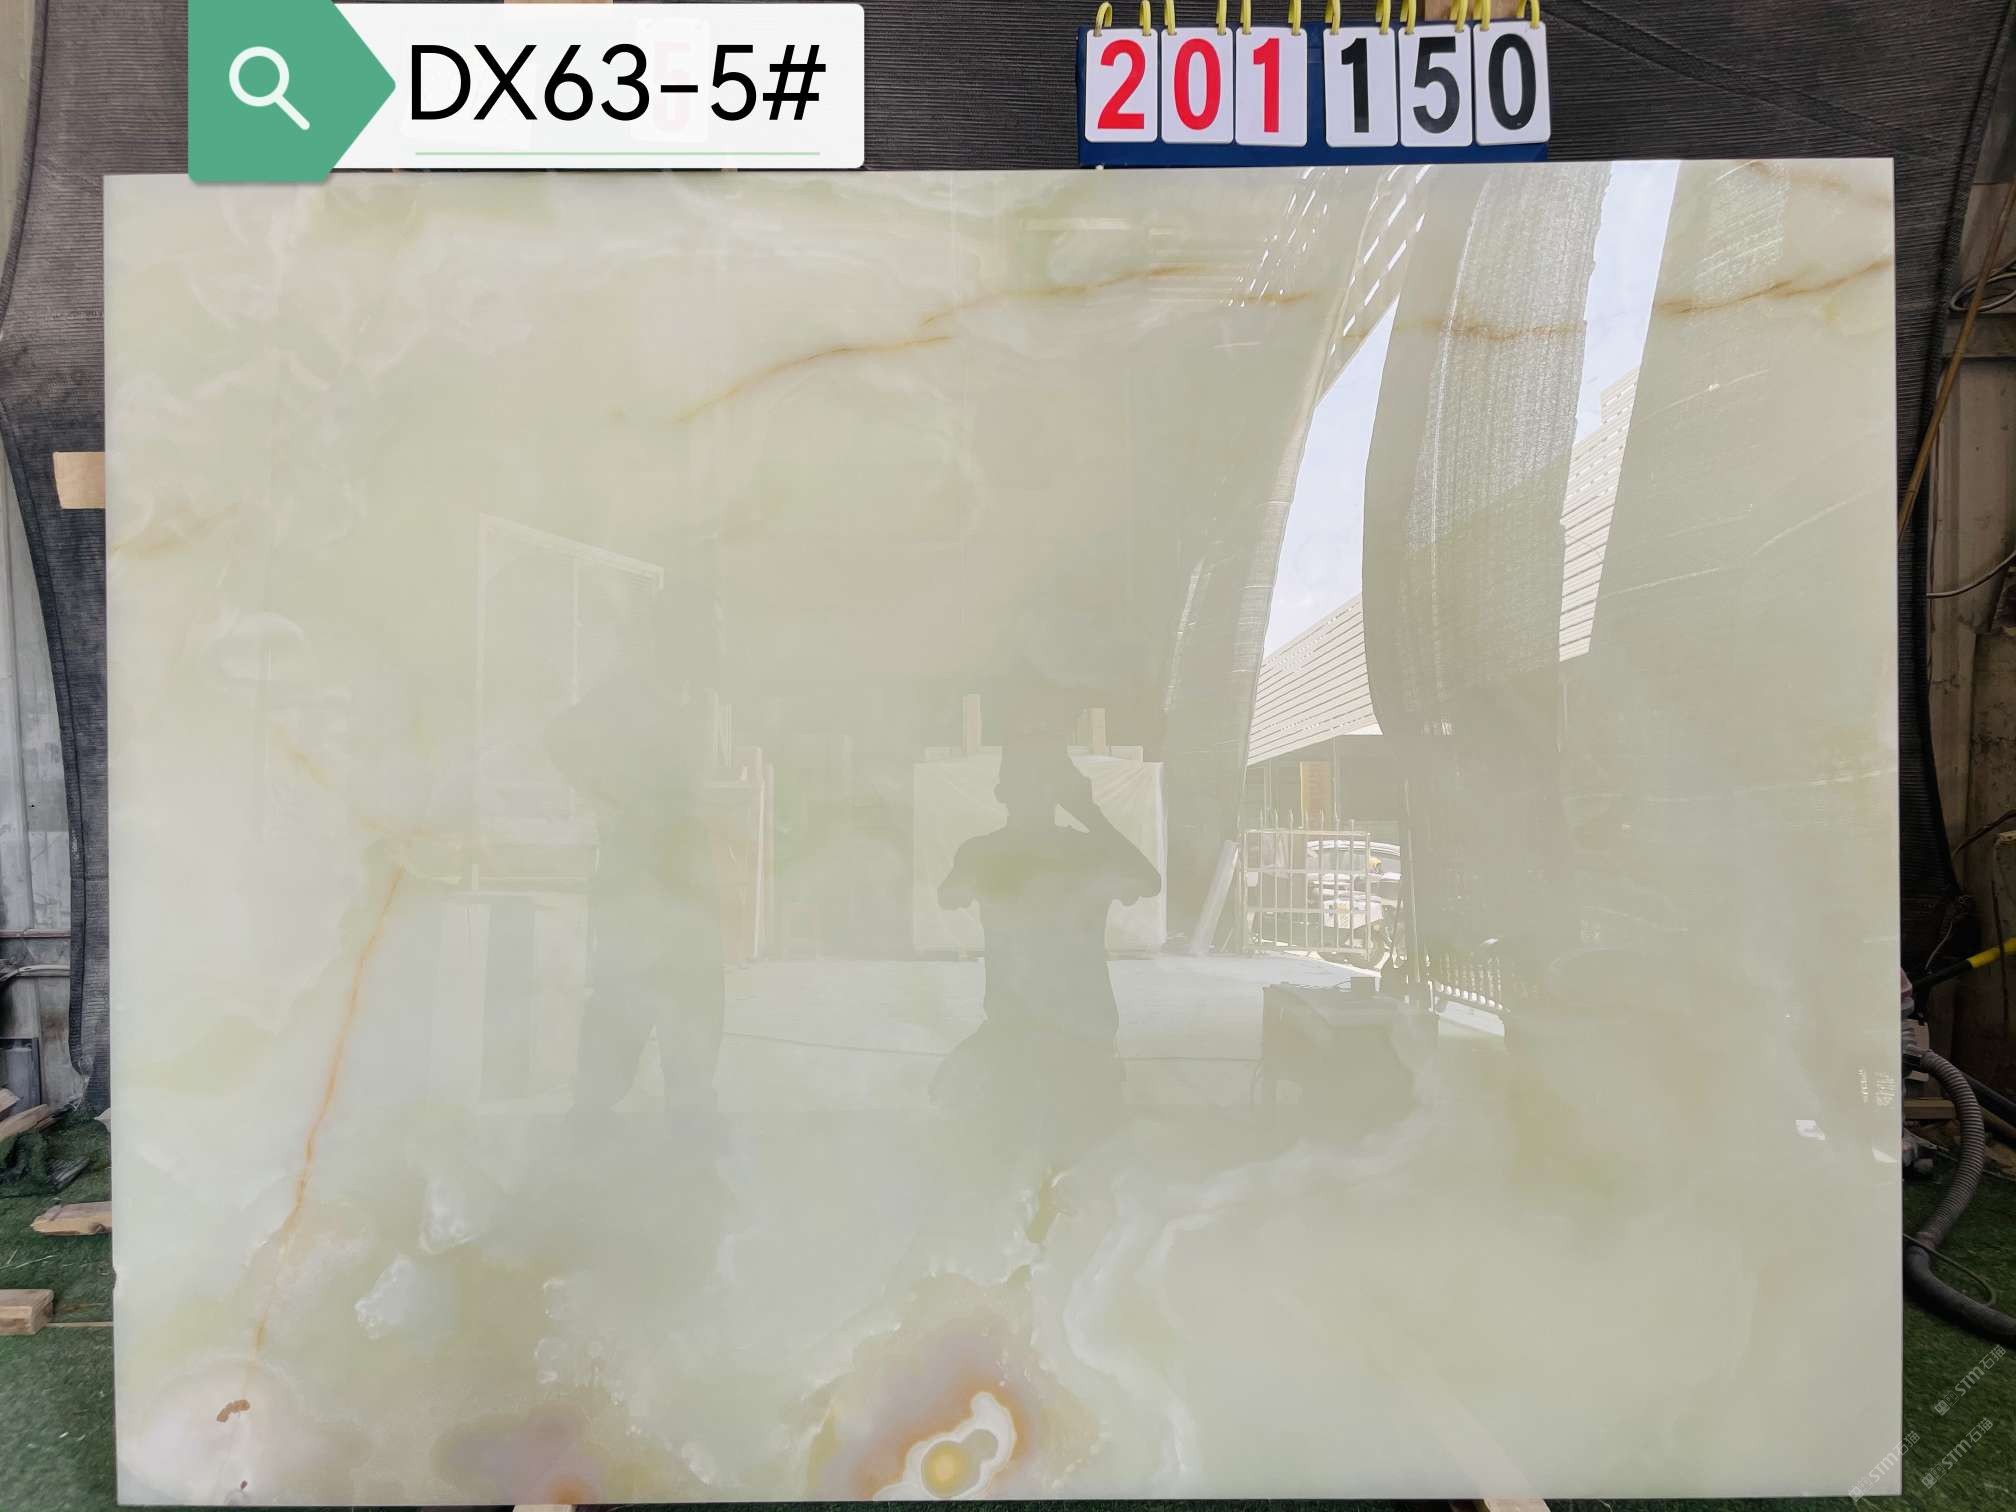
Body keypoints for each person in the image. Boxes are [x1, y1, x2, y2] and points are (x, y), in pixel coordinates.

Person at [931, 735, 1161, 1121]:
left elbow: (1149, 883)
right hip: (1044, 1031)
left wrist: (1086, 815)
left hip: (1057, 1032)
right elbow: (1148, 881)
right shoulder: (1085, 852)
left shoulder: (989, 852)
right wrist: (1088, 813)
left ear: (1001, 793)